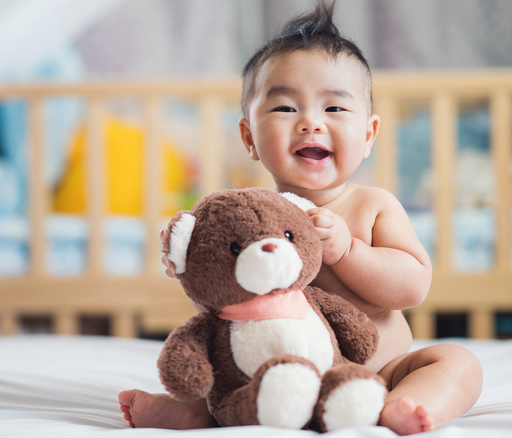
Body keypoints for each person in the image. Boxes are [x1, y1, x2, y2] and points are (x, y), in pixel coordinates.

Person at [119, 2, 482, 435]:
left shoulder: (373, 206)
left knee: (458, 363)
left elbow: (412, 287)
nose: (310, 122)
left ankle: (400, 406)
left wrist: (349, 252)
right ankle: (193, 412)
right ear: (249, 137)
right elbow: (228, 307)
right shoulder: (245, 220)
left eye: (334, 109)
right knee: (216, 378)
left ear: (368, 135)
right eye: (285, 109)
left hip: (378, 374)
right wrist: (193, 267)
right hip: (272, 380)